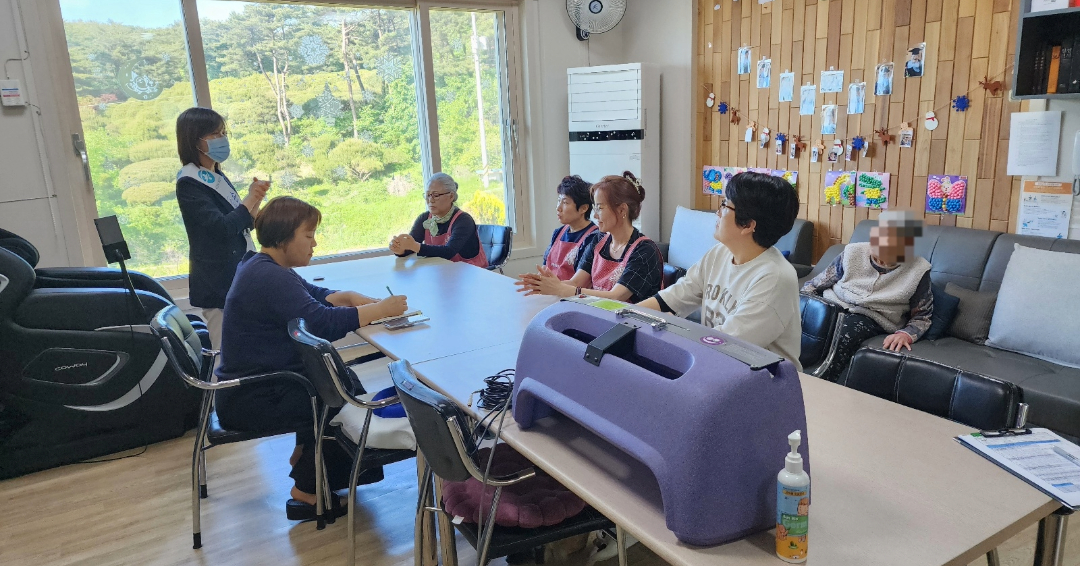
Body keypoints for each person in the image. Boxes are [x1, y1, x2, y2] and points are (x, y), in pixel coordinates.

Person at [215, 196, 409, 520]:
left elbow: (313, 296)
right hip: (250, 398)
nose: (314, 243)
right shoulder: (269, 276)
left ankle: (307, 458)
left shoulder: (262, 266)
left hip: (252, 388)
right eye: (308, 235)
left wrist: (349, 297)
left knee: (336, 380)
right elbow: (320, 322)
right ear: (284, 237)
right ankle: (307, 489)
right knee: (338, 396)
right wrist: (379, 310)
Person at [636, 171, 803, 369]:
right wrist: (624, 313)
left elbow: (728, 344)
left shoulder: (775, 278)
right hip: (717, 365)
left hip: (764, 378)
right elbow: (673, 298)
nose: (718, 212)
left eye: (725, 205)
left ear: (748, 225)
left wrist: (673, 328)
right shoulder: (720, 253)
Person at [801, 210, 933, 381]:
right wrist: (801, 306)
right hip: (832, 304)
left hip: (871, 317)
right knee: (806, 320)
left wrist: (905, 334)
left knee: (844, 330)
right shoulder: (852, 252)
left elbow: (922, 316)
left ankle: (821, 380)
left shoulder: (918, 269)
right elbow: (815, 284)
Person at [175, 107, 269, 348]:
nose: (222, 139)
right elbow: (222, 228)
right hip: (218, 283)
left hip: (239, 274)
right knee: (225, 352)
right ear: (194, 140)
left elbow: (241, 223)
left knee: (248, 347)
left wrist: (256, 201)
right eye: (214, 134)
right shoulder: (189, 182)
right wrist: (249, 198)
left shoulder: (216, 175)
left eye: (223, 133)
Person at [516, 172, 663, 303]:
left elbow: (616, 297)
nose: (595, 215)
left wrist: (562, 289)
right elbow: (576, 283)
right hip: (600, 315)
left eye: (600, 208)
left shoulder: (644, 250)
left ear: (622, 210)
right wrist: (549, 285)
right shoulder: (598, 240)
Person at [389, 173, 488, 268]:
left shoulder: (464, 220)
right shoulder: (424, 218)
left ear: (451, 196)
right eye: (428, 195)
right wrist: (400, 249)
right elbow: (411, 247)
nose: (430, 200)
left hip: (471, 273)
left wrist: (414, 246)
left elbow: (449, 252)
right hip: (443, 272)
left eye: (435, 195)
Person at [543, 175, 599, 280]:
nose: (558, 208)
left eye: (565, 202)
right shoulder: (558, 233)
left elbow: (578, 282)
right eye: (559, 200)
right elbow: (544, 269)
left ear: (583, 208)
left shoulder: (594, 237)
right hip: (549, 288)